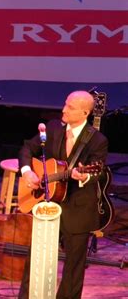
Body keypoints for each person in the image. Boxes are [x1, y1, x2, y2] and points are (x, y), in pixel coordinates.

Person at [18, 90, 108, 299]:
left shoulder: (98, 140)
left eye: (70, 107)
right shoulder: (52, 128)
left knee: (73, 267)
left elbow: (99, 171)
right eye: (65, 104)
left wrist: (83, 176)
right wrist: (27, 171)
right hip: (49, 202)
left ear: (85, 113)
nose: (63, 110)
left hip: (78, 207)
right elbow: (26, 149)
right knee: (36, 258)